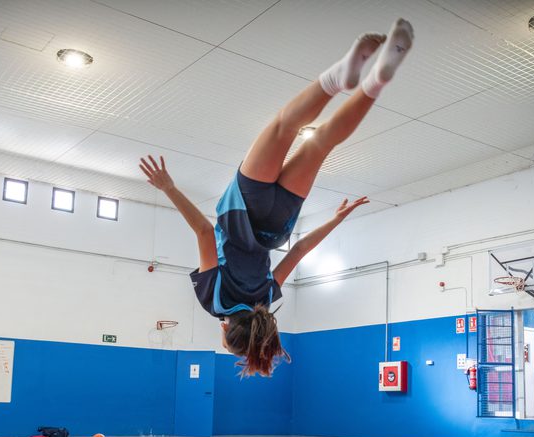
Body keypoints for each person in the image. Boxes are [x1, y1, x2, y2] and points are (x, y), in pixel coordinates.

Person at [139, 20, 414, 376]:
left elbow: (299, 251)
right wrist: (169, 189)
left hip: (277, 226)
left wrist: (336, 219)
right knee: (285, 126)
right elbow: (205, 234)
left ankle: (377, 80)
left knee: (322, 142)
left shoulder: (267, 302)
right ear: (226, 330)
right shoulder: (215, 302)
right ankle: (336, 80)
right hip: (243, 210)